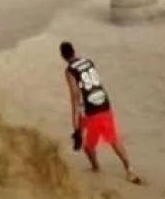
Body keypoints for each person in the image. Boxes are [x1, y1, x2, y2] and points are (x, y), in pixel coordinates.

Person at [60, 41, 142, 184]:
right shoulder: (88, 61)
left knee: (88, 145)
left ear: (63, 56)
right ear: (74, 51)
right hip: (103, 102)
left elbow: (75, 95)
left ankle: (96, 169)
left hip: (91, 109)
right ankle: (129, 169)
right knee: (113, 139)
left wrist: (75, 125)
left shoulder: (70, 71)